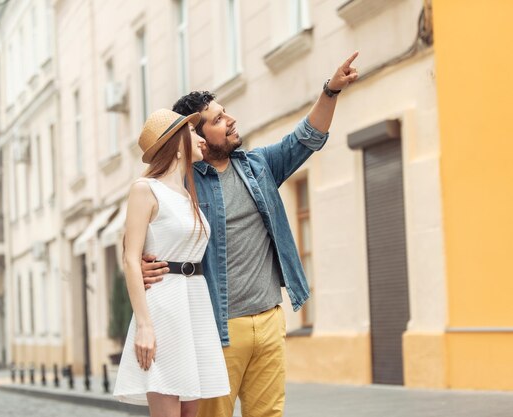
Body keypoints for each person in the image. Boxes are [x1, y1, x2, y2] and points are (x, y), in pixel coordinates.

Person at [141, 52, 360, 417]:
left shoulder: (259, 167)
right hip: (217, 328)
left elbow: (306, 138)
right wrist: (142, 264)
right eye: (218, 119)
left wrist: (331, 90)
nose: (231, 120)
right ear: (196, 137)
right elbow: (140, 234)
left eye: (227, 113)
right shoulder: (181, 184)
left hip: (270, 319)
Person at [113, 109, 231, 417]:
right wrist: (144, 326)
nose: (200, 137)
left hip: (195, 304)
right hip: (165, 305)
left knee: (192, 412)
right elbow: (130, 257)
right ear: (177, 144)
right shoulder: (145, 189)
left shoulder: (186, 193)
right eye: (192, 132)